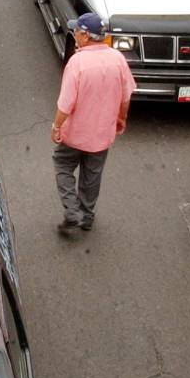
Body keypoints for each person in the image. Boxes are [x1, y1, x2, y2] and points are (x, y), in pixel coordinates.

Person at [50, 12, 134, 234]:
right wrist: (121, 119)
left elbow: (65, 104)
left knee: (63, 164)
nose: (74, 34)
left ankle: (72, 211)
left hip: (74, 134)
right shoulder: (118, 59)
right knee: (92, 174)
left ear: (86, 36)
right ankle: (86, 217)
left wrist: (56, 126)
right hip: (102, 135)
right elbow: (126, 97)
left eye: (77, 31)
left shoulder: (77, 62)